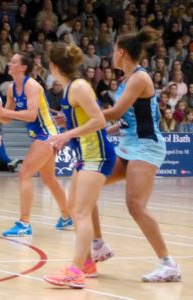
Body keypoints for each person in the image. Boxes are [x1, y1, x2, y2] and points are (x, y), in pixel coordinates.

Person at [92, 28, 181, 283]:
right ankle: (98, 245)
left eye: (113, 51)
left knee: (135, 206)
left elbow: (118, 110)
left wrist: (83, 115)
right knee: (88, 185)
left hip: (147, 147)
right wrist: (101, 130)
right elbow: (125, 120)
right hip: (128, 144)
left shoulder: (140, 78)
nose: (111, 55)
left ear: (121, 52)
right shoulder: (125, 81)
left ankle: (169, 264)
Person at [42, 42, 116, 288]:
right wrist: (67, 122)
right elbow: (83, 117)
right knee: (75, 209)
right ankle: (87, 263)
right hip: (85, 154)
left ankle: (75, 270)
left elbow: (98, 121)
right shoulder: (69, 89)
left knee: (81, 212)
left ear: (53, 66)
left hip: (98, 154)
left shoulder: (79, 87)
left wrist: (66, 134)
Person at [0, 52, 71, 237]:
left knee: (24, 174)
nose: (9, 63)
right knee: (49, 179)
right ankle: (67, 216)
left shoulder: (31, 86)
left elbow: (31, 115)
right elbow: (6, 119)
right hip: (42, 135)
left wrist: (2, 111)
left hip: (48, 135)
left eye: (14, 62)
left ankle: (24, 223)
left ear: (24, 67)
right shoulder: (10, 89)